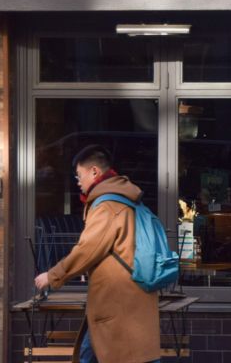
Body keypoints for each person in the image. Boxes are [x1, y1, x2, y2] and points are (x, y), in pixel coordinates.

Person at [34, 145, 161, 363]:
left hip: (117, 303)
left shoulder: (107, 205)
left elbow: (87, 250)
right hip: (126, 301)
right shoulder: (125, 198)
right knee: (93, 352)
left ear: (94, 171)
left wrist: (53, 276)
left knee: (96, 354)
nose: (78, 182)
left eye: (79, 175)